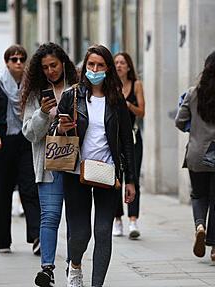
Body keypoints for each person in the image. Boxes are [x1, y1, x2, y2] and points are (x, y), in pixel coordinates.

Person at [52, 44, 136, 287]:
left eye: (100, 65)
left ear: (108, 68)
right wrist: (61, 128)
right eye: (91, 65)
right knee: (80, 233)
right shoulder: (72, 95)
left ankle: (97, 284)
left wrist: (130, 179)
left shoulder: (116, 99)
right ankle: (75, 265)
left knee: (102, 232)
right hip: (75, 171)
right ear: (85, 66)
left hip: (107, 173)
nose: (95, 69)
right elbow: (54, 130)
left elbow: (126, 141)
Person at [21, 42, 79, 287]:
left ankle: (73, 266)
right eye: (45, 67)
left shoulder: (78, 90)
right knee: (50, 216)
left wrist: (73, 123)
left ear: (63, 63)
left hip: (76, 163)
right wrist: (43, 114)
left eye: (53, 65)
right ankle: (47, 268)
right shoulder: (37, 95)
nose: (50, 71)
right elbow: (29, 133)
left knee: (76, 218)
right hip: (49, 164)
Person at [175, 51, 215, 261]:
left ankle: (200, 225)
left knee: (198, 195)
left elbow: (180, 122)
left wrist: (194, 128)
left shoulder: (193, 92)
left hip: (197, 152)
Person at [0, 44, 41, 255]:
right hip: (2, 144)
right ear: (7, 62)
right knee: (3, 192)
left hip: (26, 142)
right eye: (14, 59)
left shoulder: (31, 86)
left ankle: (36, 236)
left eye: (21, 59)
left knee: (30, 190)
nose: (18, 63)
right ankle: (3, 240)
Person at [112, 52, 145, 239]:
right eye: (116, 62)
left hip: (132, 137)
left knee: (133, 178)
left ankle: (133, 219)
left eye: (122, 63)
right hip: (115, 139)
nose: (119, 66)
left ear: (129, 66)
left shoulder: (137, 85)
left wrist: (127, 105)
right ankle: (118, 219)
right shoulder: (111, 86)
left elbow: (142, 111)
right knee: (116, 179)